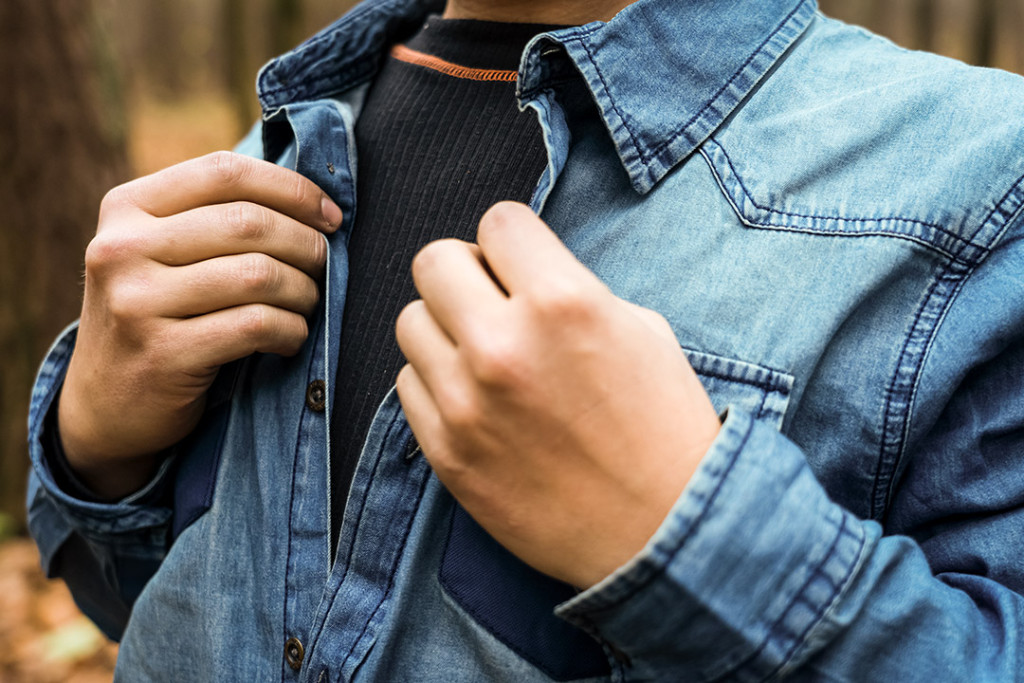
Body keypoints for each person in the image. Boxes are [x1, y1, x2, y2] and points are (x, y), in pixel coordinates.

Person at [25, 0, 1024, 679]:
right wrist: (98, 450)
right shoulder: (277, 148)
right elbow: (134, 606)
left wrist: (692, 542)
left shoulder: (981, 180)